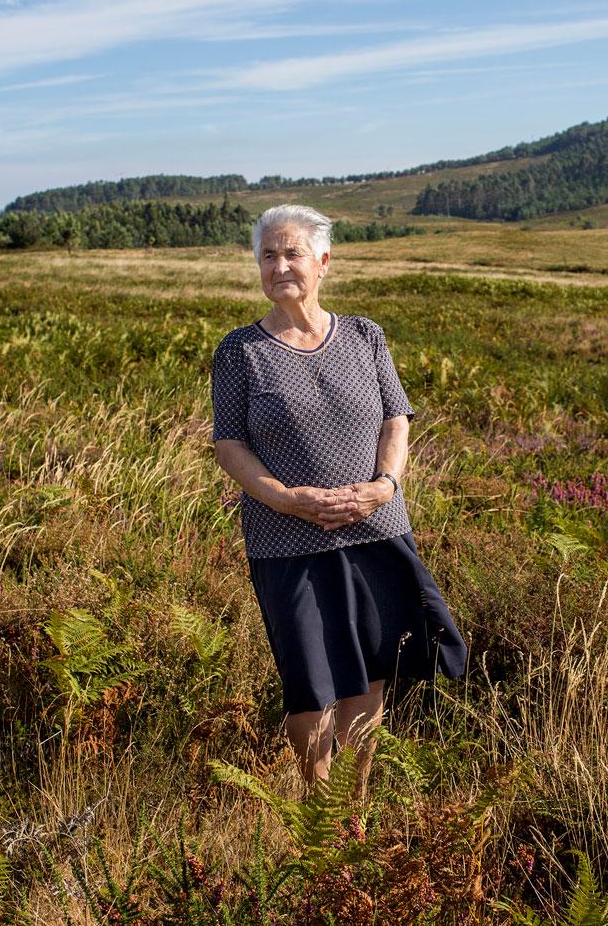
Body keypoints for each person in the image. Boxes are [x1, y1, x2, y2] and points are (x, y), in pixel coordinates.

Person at [210, 204, 467, 790]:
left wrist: (385, 486)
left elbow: (396, 418)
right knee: (311, 682)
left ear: (323, 262)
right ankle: (318, 807)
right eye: (267, 256)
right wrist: (286, 498)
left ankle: (354, 810)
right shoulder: (240, 351)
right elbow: (228, 445)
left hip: (375, 529)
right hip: (287, 542)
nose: (278, 266)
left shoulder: (363, 335)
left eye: (291, 253)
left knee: (372, 669)